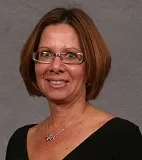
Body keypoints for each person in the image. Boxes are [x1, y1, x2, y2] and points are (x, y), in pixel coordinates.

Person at [6, 7, 142, 160]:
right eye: (46, 54)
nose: (56, 66)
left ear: (91, 64)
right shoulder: (19, 142)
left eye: (70, 55)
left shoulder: (122, 138)